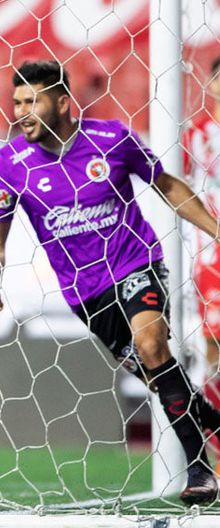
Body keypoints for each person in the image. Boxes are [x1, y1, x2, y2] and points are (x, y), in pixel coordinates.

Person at [0, 60, 220, 505]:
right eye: (16, 103)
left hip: (135, 263)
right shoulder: (11, 163)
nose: (21, 112)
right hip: (85, 292)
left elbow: (167, 185)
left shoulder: (112, 139)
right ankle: (214, 421)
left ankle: (200, 468)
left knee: (152, 345)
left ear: (62, 102)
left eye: (32, 101)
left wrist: (216, 230)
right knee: (158, 377)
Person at [183, 55, 220, 463]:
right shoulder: (195, 135)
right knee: (214, 352)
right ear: (209, 84)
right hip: (212, 260)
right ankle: (217, 448)